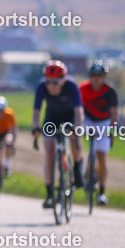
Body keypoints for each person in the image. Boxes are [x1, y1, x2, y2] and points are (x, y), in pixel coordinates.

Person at [31, 59, 84, 209]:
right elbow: (36, 111)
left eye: (55, 82)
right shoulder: (41, 87)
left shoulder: (71, 86)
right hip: (52, 117)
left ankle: (78, 168)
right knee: (49, 149)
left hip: (70, 116)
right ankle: (50, 194)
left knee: (74, 138)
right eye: (48, 81)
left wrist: (76, 127)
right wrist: (36, 128)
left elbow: (79, 111)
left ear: (63, 80)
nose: (51, 86)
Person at [79, 61, 118, 205]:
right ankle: (78, 168)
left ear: (104, 77)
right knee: (73, 137)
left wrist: (111, 130)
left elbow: (115, 113)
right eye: (93, 75)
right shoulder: (82, 88)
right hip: (87, 119)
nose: (96, 78)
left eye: (100, 76)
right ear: (89, 76)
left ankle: (101, 192)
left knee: (101, 156)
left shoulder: (110, 91)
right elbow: (76, 108)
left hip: (103, 122)